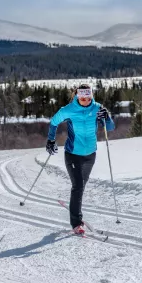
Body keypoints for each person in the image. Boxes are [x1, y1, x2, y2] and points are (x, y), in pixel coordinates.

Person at [46, 84, 114, 235]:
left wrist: (107, 117)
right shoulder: (68, 110)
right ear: (77, 96)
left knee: (81, 186)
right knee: (77, 186)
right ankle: (76, 222)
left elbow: (109, 128)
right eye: (82, 98)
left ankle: (74, 207)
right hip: (73, 154)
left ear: (91, 96)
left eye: (88, 97)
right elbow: (54, 122)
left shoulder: (97, 108)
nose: (85, 100)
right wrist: (51, 140)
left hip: (90, 154)